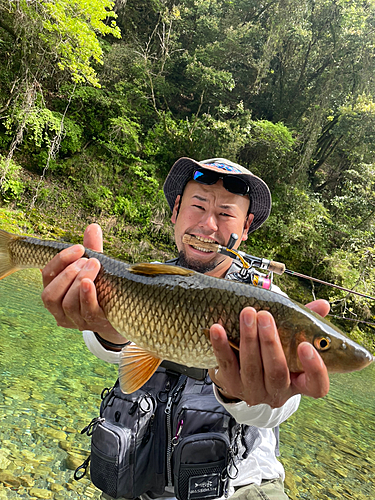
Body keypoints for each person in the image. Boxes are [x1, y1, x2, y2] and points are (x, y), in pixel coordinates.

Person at [41, 157, 330, 500]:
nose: (208, 225)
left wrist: (245, 393)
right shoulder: (144, 277)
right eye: (197, 206)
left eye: (225, 214)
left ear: (246, 226)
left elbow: (280, 408)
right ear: (176, 210)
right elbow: (114, 350)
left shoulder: (270, 305)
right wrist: (106, 326)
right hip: (139, 477)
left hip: (238, 486)